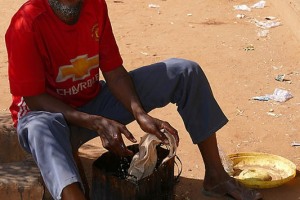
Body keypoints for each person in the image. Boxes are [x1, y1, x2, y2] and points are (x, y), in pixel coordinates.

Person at [5, 0, 263, 199]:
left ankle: (216, 176)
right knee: (40, 130)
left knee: (184, 71)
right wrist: (96, 122)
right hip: (48, 115)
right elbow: (35, 98)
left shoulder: (94, 5)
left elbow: (114, 72)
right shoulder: (27, 23)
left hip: (94, 101)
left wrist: (140, 114)